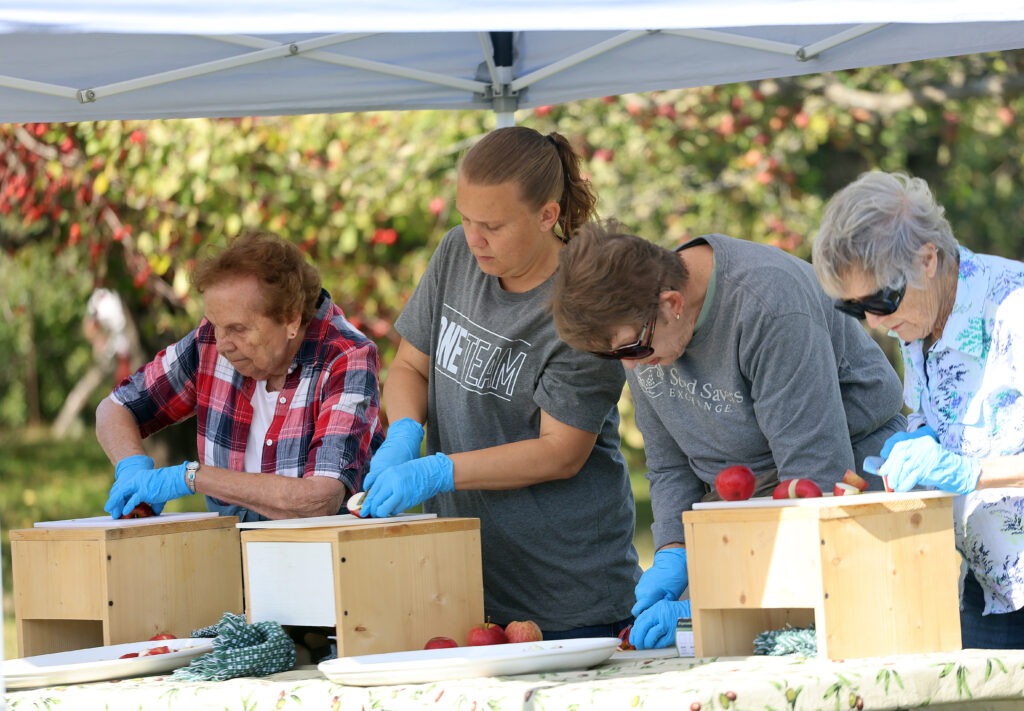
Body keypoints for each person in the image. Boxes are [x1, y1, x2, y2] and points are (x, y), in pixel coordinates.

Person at [551, 220, 907, 649]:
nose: (629, 367)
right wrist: (673, 549)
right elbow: (668, 464)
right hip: (743, 505)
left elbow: (813, 483)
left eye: (631, 350)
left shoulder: (768, 306)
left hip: (839, 490)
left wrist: (715, 593)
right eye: (614, 356)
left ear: (672, 303)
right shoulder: (644, 330)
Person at [358, 126, 641, 640]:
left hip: (569, 599)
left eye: (492, 225)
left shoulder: (584, 306)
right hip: (463, 583)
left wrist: (438, 471)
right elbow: (410, 368)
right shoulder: (457, 256)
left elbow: (561, 452)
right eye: (465, 219)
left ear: (547, 215)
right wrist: (403, 433)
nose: (474, 238)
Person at [812, 170, 1024, 649]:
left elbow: (972, 461)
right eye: (854, 308)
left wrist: (969, 471)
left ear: (927, 259)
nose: (874, 322)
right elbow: (944, 415)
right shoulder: (920, 317)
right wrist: (921, 436)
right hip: (990, 583)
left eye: (882, 300)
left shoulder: (1015, 308)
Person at [97, 230, 385, 522]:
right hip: (232, 553)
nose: (222, 345)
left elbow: (319, 498)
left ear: (290, 320)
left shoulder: (347, 358)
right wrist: (131, 465)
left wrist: (191, 477)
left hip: (330, 556)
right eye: (215, 325)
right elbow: (116, 407)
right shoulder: (210, 341)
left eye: (238, 329)